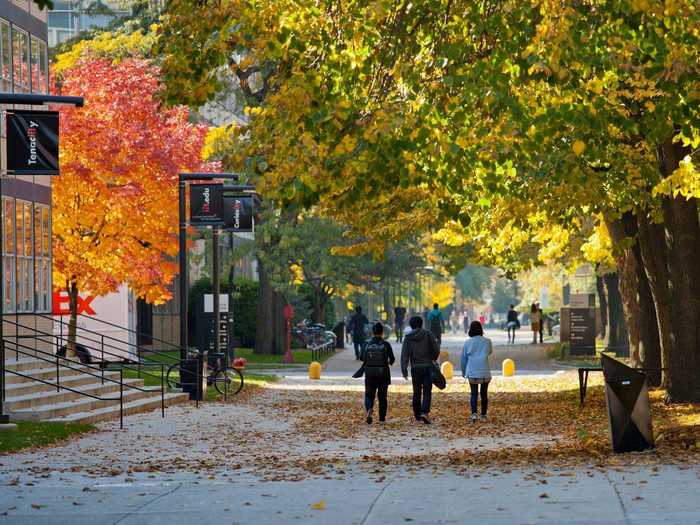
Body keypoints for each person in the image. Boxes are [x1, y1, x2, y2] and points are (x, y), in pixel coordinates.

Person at [401, 316, 440, 424]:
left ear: (411, 325)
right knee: (427, 391)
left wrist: (404, 369)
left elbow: (404, 354)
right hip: (427, 366)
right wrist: (433, 358)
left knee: (416, 391)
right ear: (421, 324)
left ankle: (417, 415)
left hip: (415, 368)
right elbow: (435, 350)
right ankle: (425, 413)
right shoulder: (428, 334)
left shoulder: (408, 338)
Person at [361, 322, 395, 424]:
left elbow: (362, 358)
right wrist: (387, 362)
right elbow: (392, 360)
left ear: (372, 332)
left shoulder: (367, 344)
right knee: (382, 396)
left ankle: (369, 410)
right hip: (383, 374)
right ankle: (382, 419)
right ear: (382, 332)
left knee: (369, 395)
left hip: (370, 373)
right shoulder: (386, 344)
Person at [460, 321, 493, 422]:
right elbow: (489, 352)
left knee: (474, 393)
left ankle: (474, 414)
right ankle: (483, 414)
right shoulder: (487, 341)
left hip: (472, 371)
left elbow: (463, 359)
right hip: (484, 371)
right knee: (484, 393)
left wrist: (464, 371)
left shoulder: (467, 343)